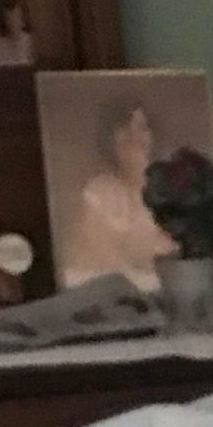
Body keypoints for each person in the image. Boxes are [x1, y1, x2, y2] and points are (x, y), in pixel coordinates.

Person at [61, 96, 174, 289]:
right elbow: (105, 256)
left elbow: (172, 250)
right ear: (109, 139)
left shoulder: (167, 189)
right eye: (124, 129)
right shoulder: (98, 191)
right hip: (105, 288)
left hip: (157, 287)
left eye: (142, 127)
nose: (134, 136)